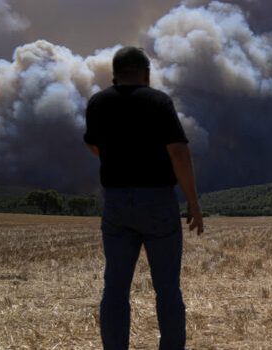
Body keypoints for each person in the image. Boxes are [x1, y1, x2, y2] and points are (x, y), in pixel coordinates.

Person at [83, 46, 204, 350]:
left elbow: (93, 146)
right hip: (158, 203)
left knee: (115, 290)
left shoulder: (98, 102)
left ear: (114, 74)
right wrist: (193, 200)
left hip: (117, 203)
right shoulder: (158, 101)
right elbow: (178, 152)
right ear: (146, 74)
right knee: (167, 290)